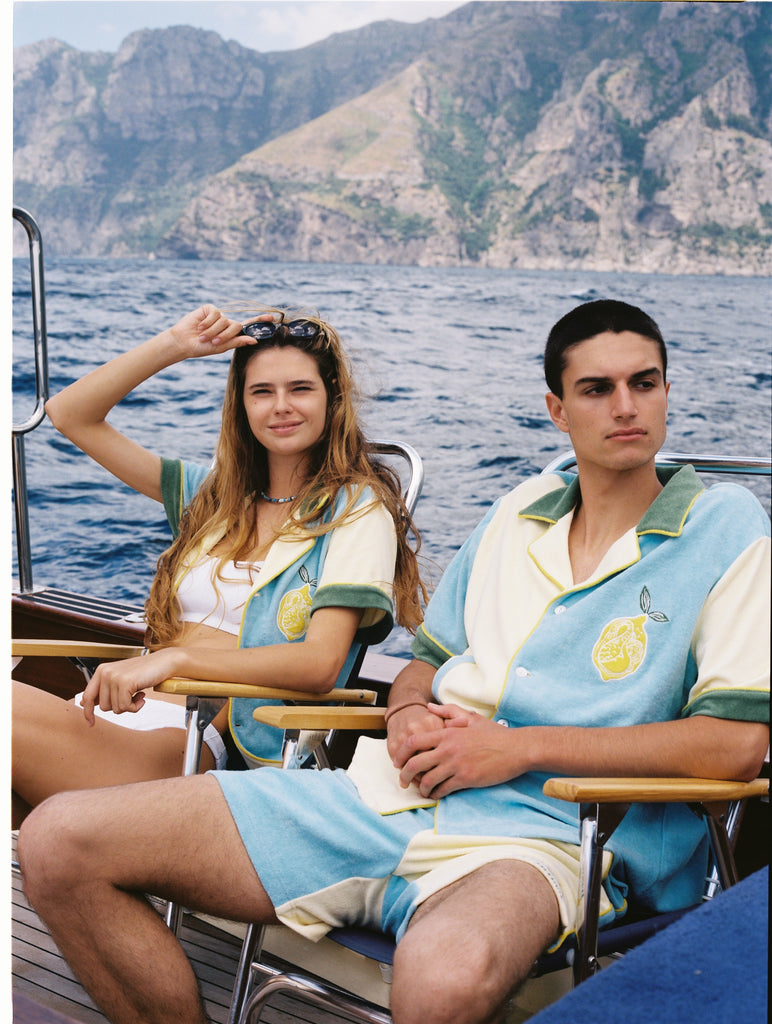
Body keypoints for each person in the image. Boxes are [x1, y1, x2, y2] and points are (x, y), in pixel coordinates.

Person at [18, 300, 769, 1024]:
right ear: (557, 410)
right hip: (388, 795)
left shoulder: (726, 528)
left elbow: (734, 747)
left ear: (670, 392)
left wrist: (515, 748)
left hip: (552, 836)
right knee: (58, 843)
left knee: (439, 981)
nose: (625, 407)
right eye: (596, 389)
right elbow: (423, 665)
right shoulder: (519, 510)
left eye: (644, 383)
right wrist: (408, 713)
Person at [12, 303, 424, 827]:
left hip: (200, 748)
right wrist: (177, 345)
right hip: (124, 719)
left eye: (300, 388)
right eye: (261, 391)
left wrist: (174, 661)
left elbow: (319, 665)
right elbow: (71, 414)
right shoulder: (212, 496)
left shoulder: (357, 509)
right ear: (241, 405)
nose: (281, 406)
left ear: (332, 399)